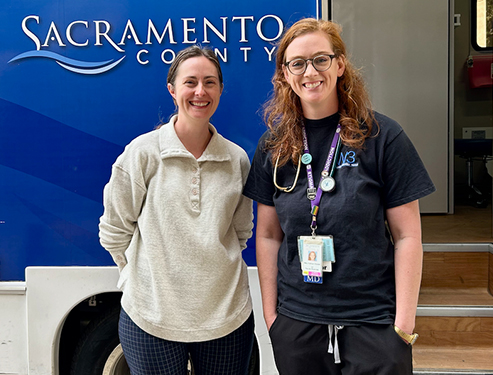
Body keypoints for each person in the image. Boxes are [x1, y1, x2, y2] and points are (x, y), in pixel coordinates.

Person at [243, 18, 436, 375]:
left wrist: (403, 326)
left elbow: (408, 236)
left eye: (321, 59)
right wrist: (273, 320)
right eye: (297, 63)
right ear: (285, 74)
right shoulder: (272, 146)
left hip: (374, 322)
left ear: (340, 65)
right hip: (298, 323)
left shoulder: (382, 137)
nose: (309, 71)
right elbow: (268, 236)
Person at [99, 45, 254, 375]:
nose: (201, 91)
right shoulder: (143, 153)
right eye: (191, 82)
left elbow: (241, 233)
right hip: (151, 319)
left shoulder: (237, 159)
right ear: (172, 89)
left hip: (226, 320)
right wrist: (139, 277)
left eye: (210, 82)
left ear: (221, 90)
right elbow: (114, 231)